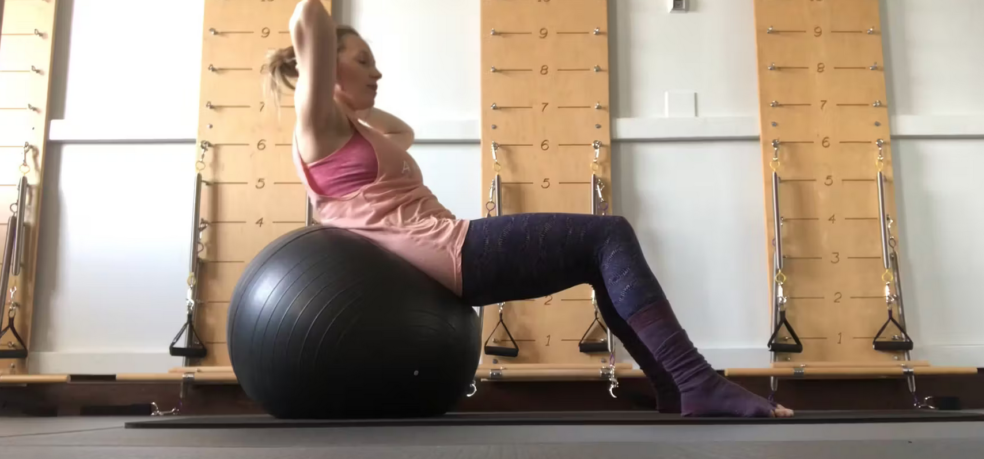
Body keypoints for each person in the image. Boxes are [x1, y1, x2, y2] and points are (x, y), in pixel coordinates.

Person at [267, 0, 793, 418]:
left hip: (442, 249)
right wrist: (327, 84)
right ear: (322, 66)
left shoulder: (351, 129)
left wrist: (354, 93)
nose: (376, 72)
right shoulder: (316, 128)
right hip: (445, 253)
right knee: (608, 235)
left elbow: (404, 134)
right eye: (363, 61)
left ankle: (675, 388)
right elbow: (307, 15)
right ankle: (695, 379)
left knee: (596, 255)